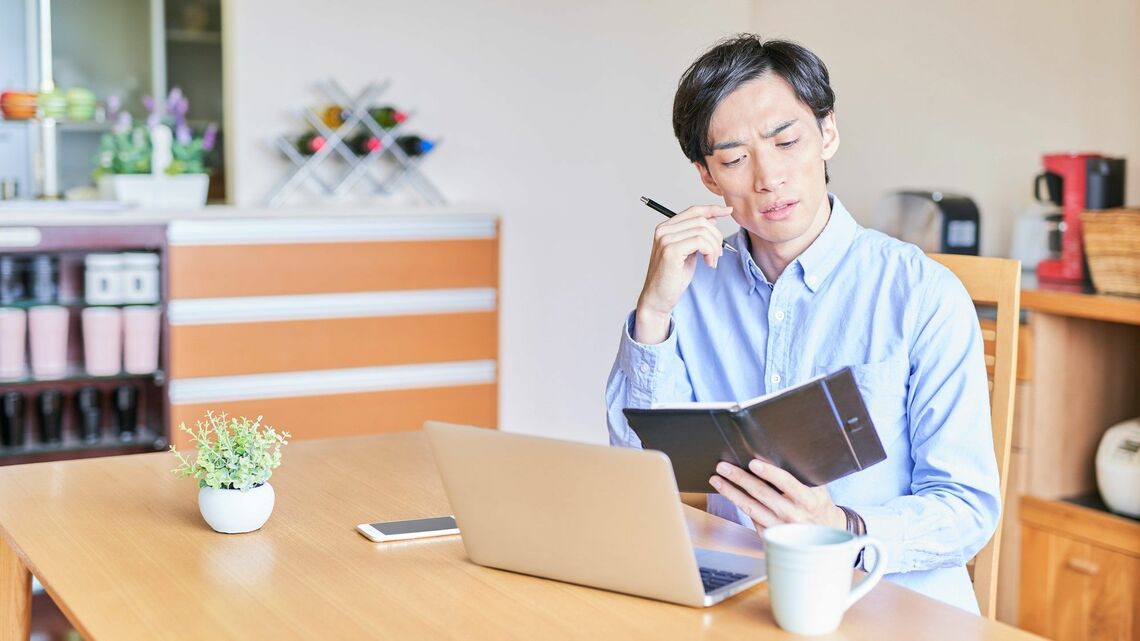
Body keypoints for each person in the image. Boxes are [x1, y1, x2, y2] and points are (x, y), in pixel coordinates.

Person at [605, 34, 1000, 613]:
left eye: (787, 141)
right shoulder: (693, 286)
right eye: (735, 159)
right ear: (707, 177)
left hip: (891, 604)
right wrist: (654, 312)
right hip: (743, 599)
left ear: (828, 135)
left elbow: (967, 509)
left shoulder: (922, 295)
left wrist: (841, 525)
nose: (769, 178)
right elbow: (641, 469)